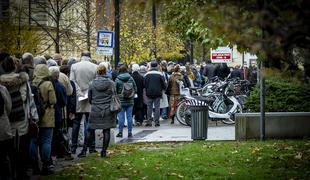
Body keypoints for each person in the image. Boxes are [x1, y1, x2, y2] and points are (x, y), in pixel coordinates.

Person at [80, 65, 116, 158]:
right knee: (106, 130)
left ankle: (84, 151)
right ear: (105, 72)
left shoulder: (92, 83)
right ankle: (103, 152)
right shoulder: (111, 83)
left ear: (97, 72)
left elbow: (90, 98)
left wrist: (95, 103)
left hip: (95, 108)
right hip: (107, 109)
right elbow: (114, 95)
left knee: (90, 130)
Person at [70, 51, 97, 156]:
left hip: (78, 96)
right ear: (90, 57)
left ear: (81, 56)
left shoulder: (74, 66)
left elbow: (72, 81)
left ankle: (73, 147)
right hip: (90, 96)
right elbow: (95, 82)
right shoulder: (95, 66)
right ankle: (91, 146)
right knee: (89, 123)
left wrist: (79, 92)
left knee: (76, 123)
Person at [32, 64, 57, 175]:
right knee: (46, 141)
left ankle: (34, 165)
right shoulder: (48, 84)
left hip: (34, 116)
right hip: (47, 116)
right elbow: (53, 101)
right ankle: (46, 165)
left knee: (34, 141)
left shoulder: (31, 83)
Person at [115, 64, 137, 138]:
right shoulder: (131, 78)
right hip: (130, 100)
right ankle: (130, 132)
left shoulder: (117, 79)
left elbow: (115, 90)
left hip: (120, 101)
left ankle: (120, 132)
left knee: (121, 117)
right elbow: (135, 88)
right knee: (129, 117)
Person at [144, 61, 167, 127]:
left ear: (151, 66)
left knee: (149, 107)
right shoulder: (160, 74)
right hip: (158, 93)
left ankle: (149, 122)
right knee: (157, 107)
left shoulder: (147, 74)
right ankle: (157, 122)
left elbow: (144, 84)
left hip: (149, 93)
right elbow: (164, 84)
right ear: (157, 66)